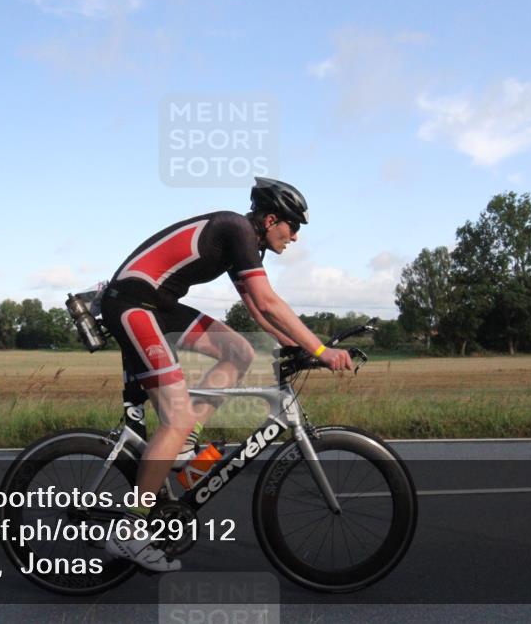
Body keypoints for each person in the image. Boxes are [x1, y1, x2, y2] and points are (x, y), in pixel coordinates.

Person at [100, 177, 354, 571]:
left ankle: (185, 441)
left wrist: (293, 346)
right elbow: (269, 301)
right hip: (134, 303)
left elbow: (256, 308)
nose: (296, 237)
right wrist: (319, 348)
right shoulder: (236, 227)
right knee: (176, 418)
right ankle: (130, 530)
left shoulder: (248, 243)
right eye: (293, 227)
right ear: (271, 219)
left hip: (159, 304)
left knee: (238, 351)